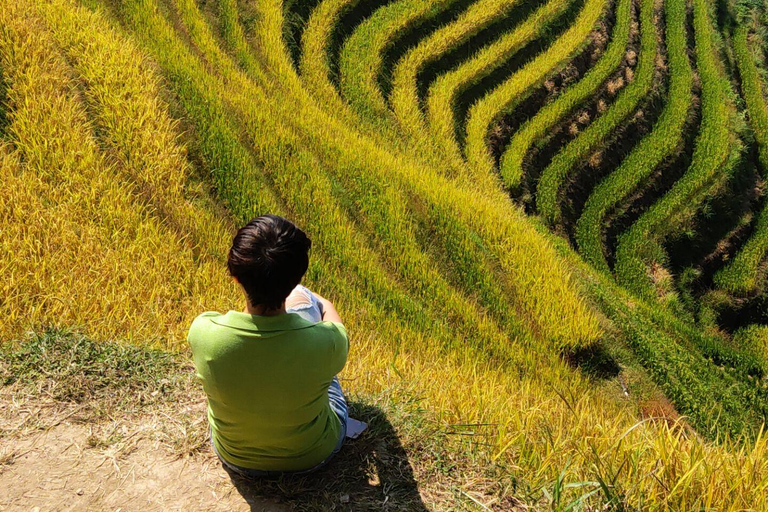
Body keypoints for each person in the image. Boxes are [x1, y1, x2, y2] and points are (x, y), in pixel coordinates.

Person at [187, 215, 349, 477]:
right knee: (324, 369)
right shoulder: (326, 342)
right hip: (311, 454)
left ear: (237, 278)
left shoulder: (203, 332)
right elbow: (335, 326)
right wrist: (318, 300)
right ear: (295, 278)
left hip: (234, 455)